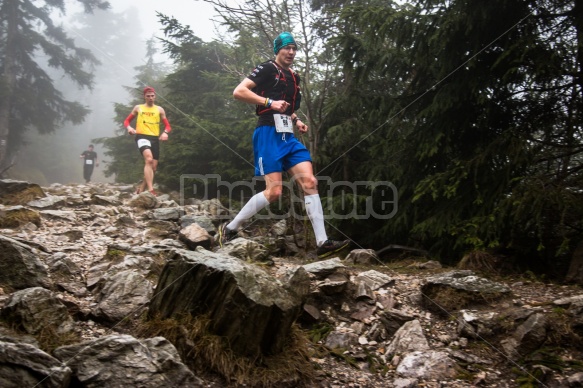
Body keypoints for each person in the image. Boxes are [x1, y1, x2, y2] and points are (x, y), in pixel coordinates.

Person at [220, 31, 350, 259]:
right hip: (267, 133)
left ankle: (322, 242)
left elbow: (289, 108)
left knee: (310, 181)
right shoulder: (268, 68)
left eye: (293, 48)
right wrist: (268, 101)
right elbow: (239, 92)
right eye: (286, 48)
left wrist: (297, 120)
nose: (290, 52)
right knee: (274, 192)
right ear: (277, 50)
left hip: (287, 136)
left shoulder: (294, 77)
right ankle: (230, 228)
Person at [123, 86, 171, 196]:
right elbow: (126, 121)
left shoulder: (159, 109)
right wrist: (129, 128)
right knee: (148, 159)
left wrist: (165, 133)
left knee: (153, 168)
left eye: (152, 96)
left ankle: (141, 188)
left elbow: (168, 125)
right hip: (141, 136)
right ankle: (151, 190)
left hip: (154, 138)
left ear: (155, 96)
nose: (150, 98)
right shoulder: (138, 108)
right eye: (148, 96)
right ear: (144, 97)